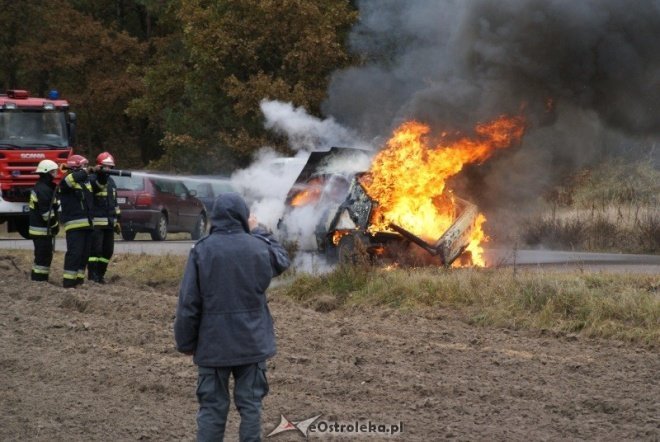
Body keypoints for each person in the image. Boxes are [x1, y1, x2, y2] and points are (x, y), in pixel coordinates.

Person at [174, 192, 290, 442]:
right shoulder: (259, 248)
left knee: (212, 409)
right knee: (251, 408)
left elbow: (188, 303)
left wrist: (185, 343)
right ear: (242, 216)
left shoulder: (202, 251)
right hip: (252, 343)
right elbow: (282, 259)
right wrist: (259, 230)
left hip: (213, 345)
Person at [59, 154, 95, 288]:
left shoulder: (85, 182)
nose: (86, 168)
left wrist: (100, 171)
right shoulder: (67, 179)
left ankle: (79, 281)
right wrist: (86, 171)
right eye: (83, 165)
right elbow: (72, 179)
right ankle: (68, 282)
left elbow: (99, 184)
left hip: (87, 224)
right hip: (74, 225)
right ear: (75, 167)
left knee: (84, 255)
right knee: (75, 253)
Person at [88, 152, 121, 283]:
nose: (109, 170)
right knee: (95, 251)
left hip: (109, 223)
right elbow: (96, 188)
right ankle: (93, 276)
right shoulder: (92, 179)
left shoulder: (111, 182)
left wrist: (118, 219)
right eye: (106, 167)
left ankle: (101, 274)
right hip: (96, 223)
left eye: (110, 167)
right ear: (99, 166)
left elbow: (115, 202)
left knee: (108, 251)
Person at [28, 159, 60, 281]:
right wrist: (55, 225)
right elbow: (46, 213)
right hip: (41, 230)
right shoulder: (44, 190)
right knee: (43, 257)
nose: (55, 174)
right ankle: (38, 280)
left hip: (41, 230)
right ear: (46, 173)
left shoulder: (43, 187)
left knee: (43, 256)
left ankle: (40, 279)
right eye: (53, 172)